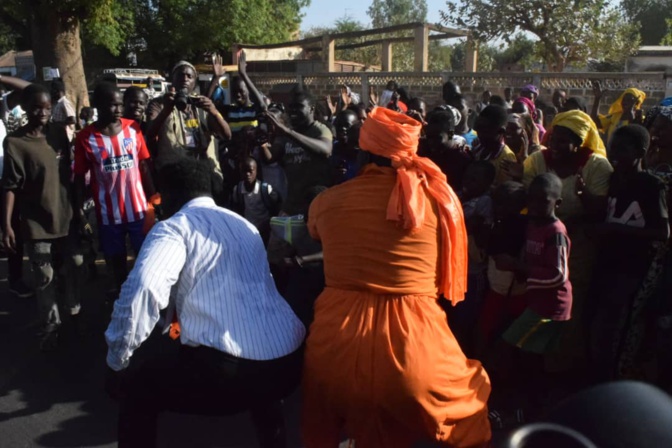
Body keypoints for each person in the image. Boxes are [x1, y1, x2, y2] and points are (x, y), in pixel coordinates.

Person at [302, 107, 491, 448]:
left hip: (333, 349)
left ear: (364, 151)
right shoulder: (441, 201)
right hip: (417, 353)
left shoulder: (326, 202)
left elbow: (317, 232)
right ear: (411, 152)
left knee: (327, 420)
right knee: (471, 404)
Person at [104, 157, 305, 448]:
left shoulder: (174, 227)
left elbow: (144, 291)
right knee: (263, 384)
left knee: (138, 389)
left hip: (231, 372)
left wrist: (117, 361)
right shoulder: (243, 225)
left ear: (171, 195)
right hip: (288, 360)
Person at [510, 109, 613, 372]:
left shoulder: (596, 166)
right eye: (553, 138)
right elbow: (527, 199)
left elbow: (599, 210)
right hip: (539, 239)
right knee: (536, 301)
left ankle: (562, 365)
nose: (553, 145)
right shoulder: (537, 161)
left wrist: (582, 193)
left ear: (578, 142)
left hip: (579, 244)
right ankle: (534, 362)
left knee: (570, 305)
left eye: (562, 140)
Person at [2, 84, 83, 349]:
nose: (44, 113)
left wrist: (80, 210)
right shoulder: (14, 143)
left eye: (48, 108)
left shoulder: (59, 135)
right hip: (36, 223)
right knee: (44, 277)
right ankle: (51, 325)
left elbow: (72, 176)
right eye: (37, 107)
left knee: (73, 264)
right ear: (25, 108)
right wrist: (7, 226)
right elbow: (10, 186)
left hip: (66, 216)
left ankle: (73, 309)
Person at [590, 125, 669, 381]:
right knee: (600, 322)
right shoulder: (613, 179)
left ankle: (614, 377)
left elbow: (662, 232)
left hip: (633, 267)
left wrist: (616, 229)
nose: (613, 153)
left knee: (619, 326)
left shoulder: (651, 185)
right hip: (608, 263)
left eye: (621, 149)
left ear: (640, 152)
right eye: (612, 147)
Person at [498, 173, 572, 415]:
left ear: (557, 203)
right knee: (532, 355)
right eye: (533, 200)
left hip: (551, 306)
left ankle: (529, 403)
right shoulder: (532, 224)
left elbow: (558, 275)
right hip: (538, 302)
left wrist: (520, 268)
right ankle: (536, 402)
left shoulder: (555, 232)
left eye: (544, 201)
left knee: (511, 345)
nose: (537, 206)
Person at [74, 82, 156, 290]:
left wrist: (154, 197)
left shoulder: (133, 129)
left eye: (120, 105)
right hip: (109, 216)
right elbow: (78, 178)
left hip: (138, 211)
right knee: (117, 265)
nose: (118, 110)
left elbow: (144, 166)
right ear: (97, 106)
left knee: (146, 261)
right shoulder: (85, 138)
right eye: (112, 105)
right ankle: (121, 301)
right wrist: (79, 213)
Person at [146, 60, 232, 179]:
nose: (185, 79)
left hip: (203, 174)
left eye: (189, 76)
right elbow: (149, 134)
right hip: (174, 174)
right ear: (173, 79)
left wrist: (214, 111)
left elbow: (226, 135)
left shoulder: (201, 103)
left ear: (194, 82)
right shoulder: (159, 103)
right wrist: (166, 110)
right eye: (181, 75)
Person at [451, 161, 496, 355]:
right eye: (467, 177)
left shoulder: (485, 202)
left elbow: (479, 231)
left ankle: (466, 357)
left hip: (472, 271)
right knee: (453, 316)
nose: (468, 182)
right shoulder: (459, 196)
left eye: (475, 179)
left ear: (487, 183)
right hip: (455, 268)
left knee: (466, 319)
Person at [266, 89, 332, 216]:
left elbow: (326, 150)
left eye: (299, 106)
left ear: (311, 109)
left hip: (315, 206)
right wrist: (263, 143)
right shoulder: (286, 133)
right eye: (291, 107)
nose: (293, 111)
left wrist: (289, 133)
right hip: (291, 205)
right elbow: (271, 158)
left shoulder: (320, 130)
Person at [230, 157, 281, 244]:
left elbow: (277, 207)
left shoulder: (266, 189)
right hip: (247, 230)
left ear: (256, 171)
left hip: (265, 230)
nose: (247, 174)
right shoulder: (237, 190)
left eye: (250, 171)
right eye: (244, 171)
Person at [421, 108, 471, 191]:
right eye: (429, 137)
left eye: (437, 138)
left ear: (451, 133)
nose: (431, 142)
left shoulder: (462, 159)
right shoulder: (424, 149)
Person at [472, 105, 518, 186]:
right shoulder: (478, 148)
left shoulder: (506, 157)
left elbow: (504, 189)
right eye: (479, 129)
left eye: (485, 131)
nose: (480, 135)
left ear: (501, 131)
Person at [591, 81, 645, 148]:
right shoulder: (616, 116)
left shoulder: (640, 118)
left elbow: (635, 133)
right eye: (624, 99)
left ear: (636, 103)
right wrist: (597, 99)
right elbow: (596, 122)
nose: (625, 102)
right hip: (611, 153)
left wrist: (630, 111)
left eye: (629, 100)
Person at [331, 109, 361, 184]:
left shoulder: (362, 151)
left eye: (347, 125)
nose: (342, 129)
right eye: (339, 125)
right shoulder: (331, 149)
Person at [50, 78, 76, 143]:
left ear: (58, 91)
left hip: (66, 135)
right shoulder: (57, 103)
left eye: (53, 90)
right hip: (59, 134)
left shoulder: (64, 102)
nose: (51, 92)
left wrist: (58, 123)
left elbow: (72, 119)